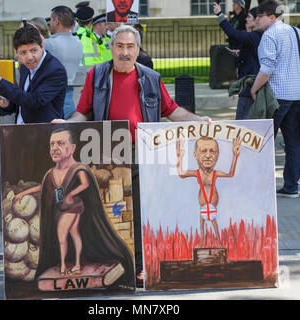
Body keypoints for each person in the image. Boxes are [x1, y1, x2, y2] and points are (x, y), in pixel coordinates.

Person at [52, 25, 211, 285]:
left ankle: (138, 266)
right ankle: (111, 264)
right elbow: (83, 111)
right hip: (107, 154)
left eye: (130, 47)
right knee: (108, 213)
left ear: (138, 50)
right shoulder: (97, 75)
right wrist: (66, 124)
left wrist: (198, 121)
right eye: (120, 46)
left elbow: (171, 111)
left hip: (141, 153)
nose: (124, 52)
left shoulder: (150, 77)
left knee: (137, 211)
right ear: (112, 48)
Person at [14, 128, 134, 287]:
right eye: (52, 144)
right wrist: (24, 193)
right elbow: (43, 188)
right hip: (63, 208)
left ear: (72, 148)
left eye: (60, 143)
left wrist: (71, 194)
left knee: (61, 235)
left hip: (73, 207)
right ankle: (76, 264)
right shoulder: (51, 173)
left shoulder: (79, 168)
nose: (55, 148)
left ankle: (64, 265)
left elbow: (85, 183)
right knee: (74, 233)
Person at [250, 0, 300, 199]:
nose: (257, 20)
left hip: (276, 98)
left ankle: (261, 187)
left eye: (260, 16)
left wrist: (254, 88)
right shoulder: (296, 32)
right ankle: (291, 186)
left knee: (264, 143)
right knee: (293, 144)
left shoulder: (269, 35)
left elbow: (267, 68)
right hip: (297, 94)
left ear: (272, 16)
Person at [0, 25, 67, 124]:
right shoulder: (25, 66)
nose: (29, 57)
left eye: (34, 50)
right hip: (22, 131)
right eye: (23, 52)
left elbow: (34, 101)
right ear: (16, 52)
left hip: (44, 134)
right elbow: (23, 100)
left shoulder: (55, 70)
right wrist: (7, 104)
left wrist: (0, 81)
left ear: (42, 46)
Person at [176, 137, 241, 247]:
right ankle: (202, 242)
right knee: (202, 224)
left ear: (217, 155)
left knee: (214, 223)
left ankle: (219, 242)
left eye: (212, 151)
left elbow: (231, 174)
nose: (207, 155)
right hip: (203, 206)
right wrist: (179, 157)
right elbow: (181, 173)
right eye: (203, 151)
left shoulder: (215, 173)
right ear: (195, 155)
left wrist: (235, 156)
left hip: (211, 205)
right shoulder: (197, 173)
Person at [215, 4, 261, 120]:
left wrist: (219, 15)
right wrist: (240, 53)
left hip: (249, 86)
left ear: (257, 20)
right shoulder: (257, 36)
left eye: (249, 17)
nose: (246, 19)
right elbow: (254, 54)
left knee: (242, 121)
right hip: (252, 84)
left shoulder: (255, 36)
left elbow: (232, 33)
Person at [44, 6, 82, 119]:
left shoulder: (50, 44)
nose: (49, 23)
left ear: (56, 21)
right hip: (69, 96)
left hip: (52, 97)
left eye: (50, 20)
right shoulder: (78, 42)